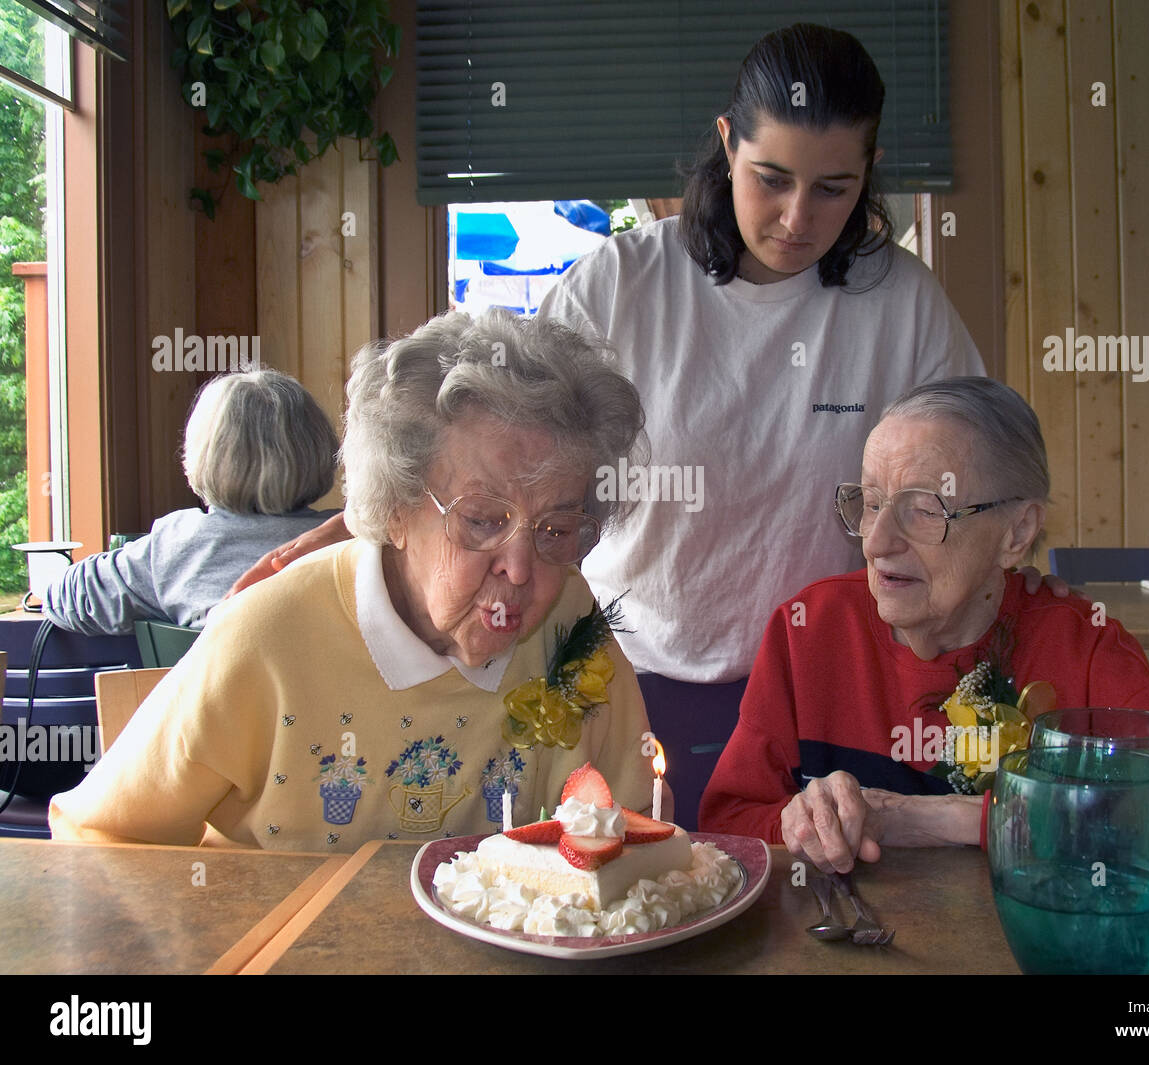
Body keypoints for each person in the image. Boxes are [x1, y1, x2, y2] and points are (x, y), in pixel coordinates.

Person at [230, 24, 1063, 827]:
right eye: (770, 177)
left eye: (833, 188)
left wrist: (1031, 593)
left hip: (824, 691)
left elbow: (980, 474)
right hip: (630, 673)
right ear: (727, 142)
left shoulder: (904, 304)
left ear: (870, 172)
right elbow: (470, 427)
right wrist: (355, 526)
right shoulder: (622, 283)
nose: (797, 217)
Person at [48, 311, 660, 852]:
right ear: (394, 507)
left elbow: (631, 827)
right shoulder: (266, 636)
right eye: (481, 520)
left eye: (555, 529)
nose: (522, 570)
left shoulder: (569, 620)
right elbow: (100, 842)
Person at [697, 377, 1149, 867]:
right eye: (870, 502)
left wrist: (955, 819)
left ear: (1016, 533)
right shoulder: (808, 630)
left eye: (924, 510)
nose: (876, 542)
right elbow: (729, 820)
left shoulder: (1077, 645)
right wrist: (800, 826)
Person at [42, 369, 339, 636]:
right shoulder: (354, 540)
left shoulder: (176, 544)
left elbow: (68, 598)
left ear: (204, 456)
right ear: (319, 448)